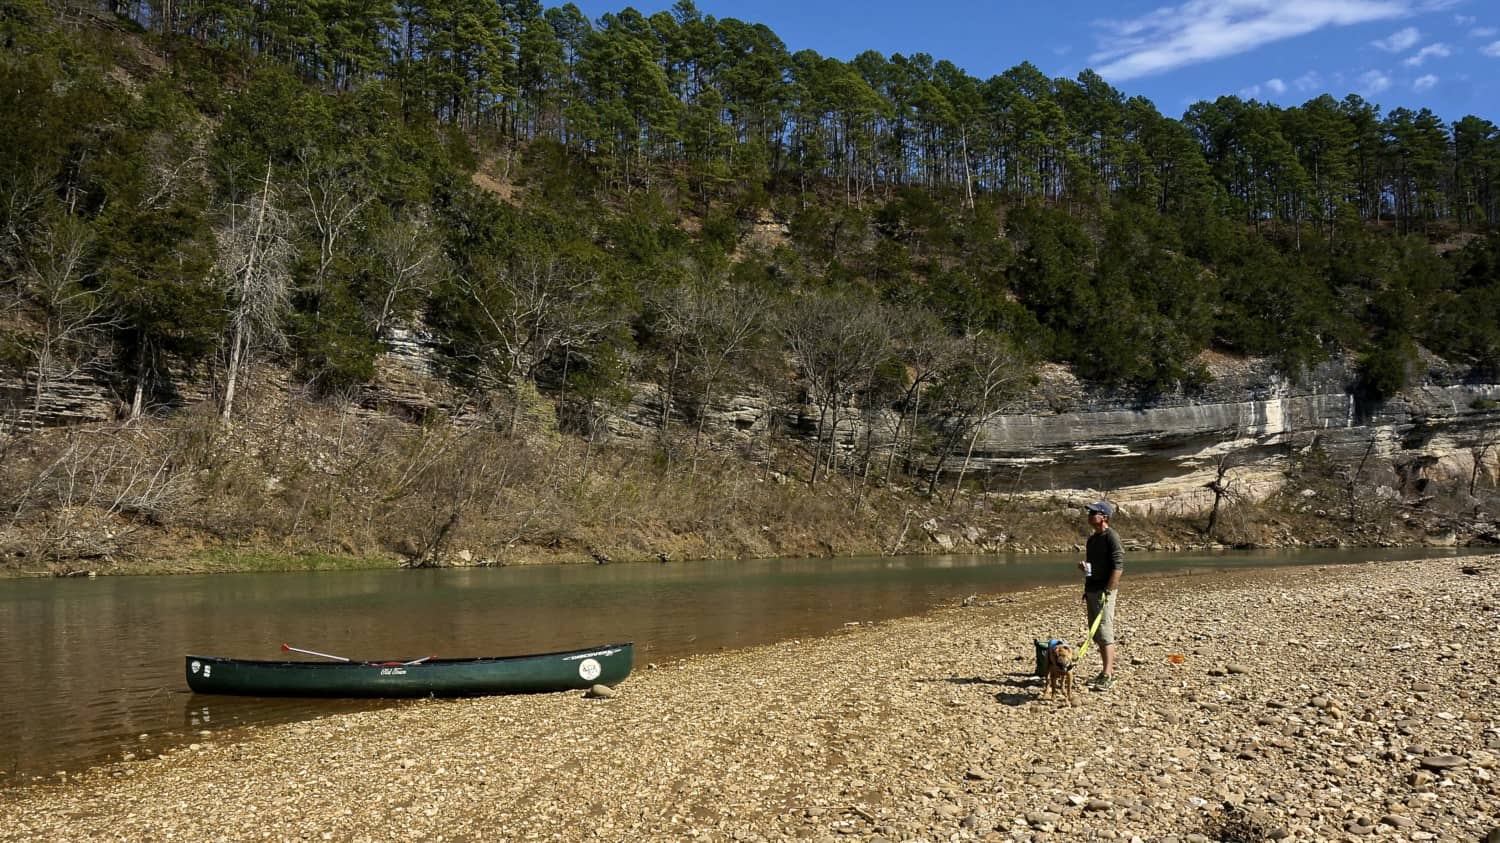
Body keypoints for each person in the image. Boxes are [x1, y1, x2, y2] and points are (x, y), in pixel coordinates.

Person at [1077, 500, 1123, 690]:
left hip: (1105, 592)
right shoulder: (1092, 539)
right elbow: (1092, 569)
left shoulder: (1111, 537)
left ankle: (1108, 674)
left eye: (1093, 513)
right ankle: (1106, 672)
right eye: (1089, 513)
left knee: (1104, 631)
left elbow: (1118, 567)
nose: (1089, 516)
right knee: (1095, 633)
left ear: (1104, 517)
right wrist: (1086, 572)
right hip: (1092, 591)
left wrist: (1108, 590)